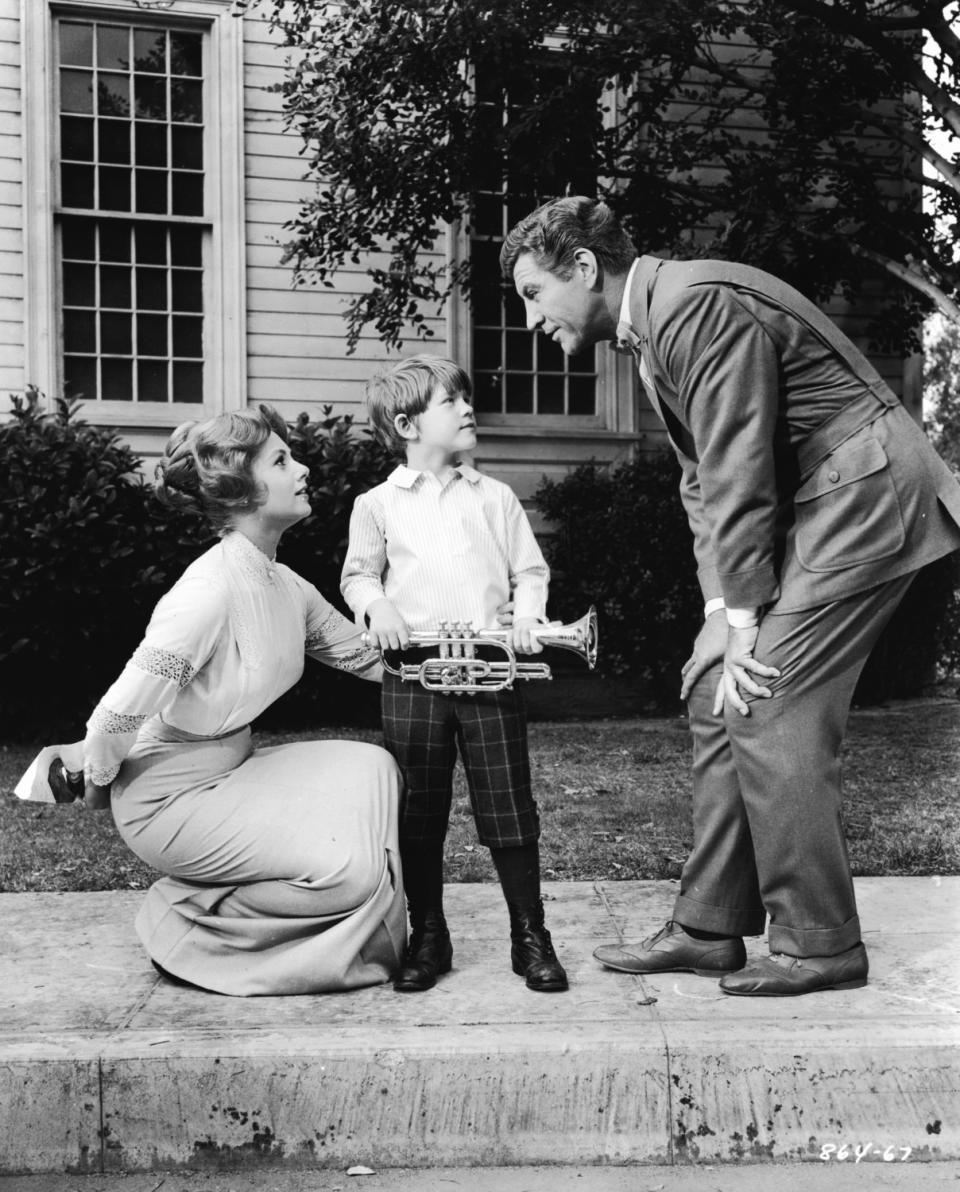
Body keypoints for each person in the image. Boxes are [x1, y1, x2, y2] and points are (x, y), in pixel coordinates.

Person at [500, 196, 960, 997]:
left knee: (767, 698)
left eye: (534, 295)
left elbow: (742, 470)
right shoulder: (654, 329)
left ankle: (822, 941)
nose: (532, 320)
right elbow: (702, 482)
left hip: (866, 492)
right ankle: (711, 925)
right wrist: (721, 616)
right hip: (826, 498)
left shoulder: (694, 307)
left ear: (583, 267)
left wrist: (746, 622)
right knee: (720, 691)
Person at [80, 405, 407, 996]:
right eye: (282, 460)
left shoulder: (284, 582)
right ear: (240, 491)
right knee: (350, 873)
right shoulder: (207, 593)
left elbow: (367, 658)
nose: (302, 468)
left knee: (374, 767)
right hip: (167, 797)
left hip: (231, 766)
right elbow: (117, 714)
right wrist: (97, 780)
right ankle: (184, 922)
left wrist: (463, 656)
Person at [340, 354, 568, 994]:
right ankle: (429, 936)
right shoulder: (376, 504)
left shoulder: (494, 497)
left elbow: (530, 572)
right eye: (452, 401)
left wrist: (528, 617)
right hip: (414, 678)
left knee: (508, 806)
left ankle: (531, 937)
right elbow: (358, 574)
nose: (469, 408)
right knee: (419, 812)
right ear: (407, 423)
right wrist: (376, 604)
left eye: (466, 398)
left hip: (493, 672)